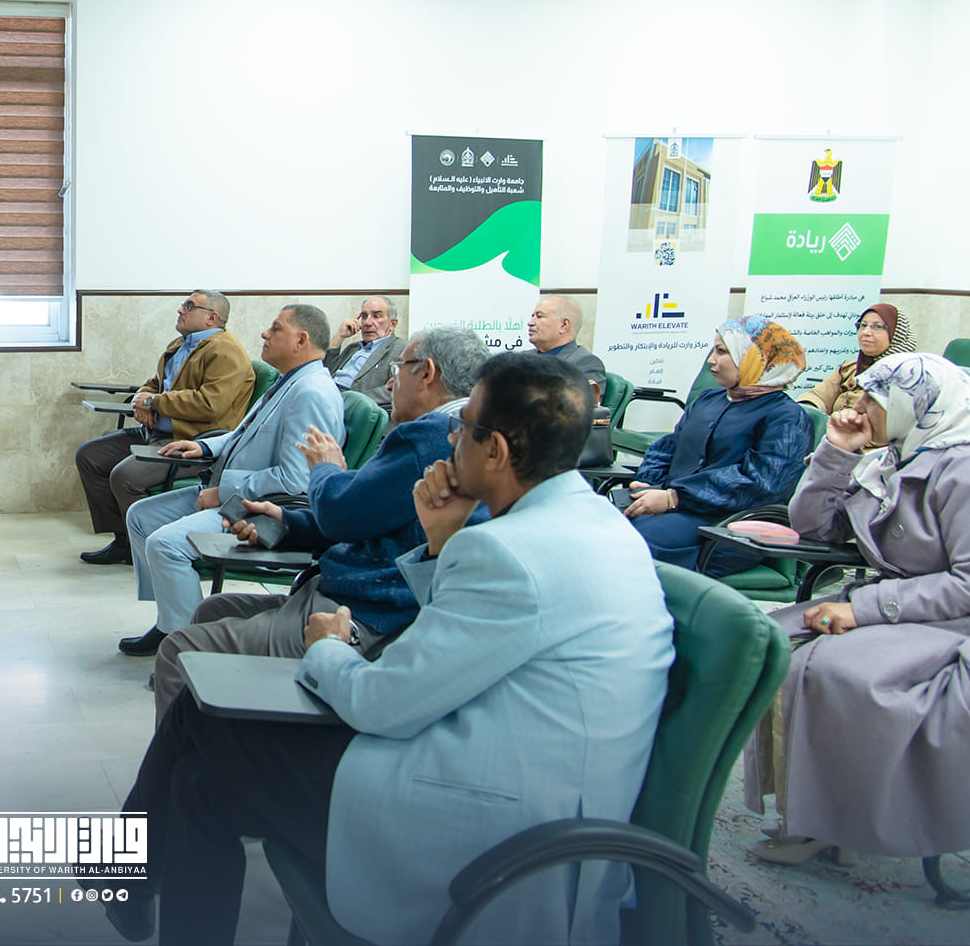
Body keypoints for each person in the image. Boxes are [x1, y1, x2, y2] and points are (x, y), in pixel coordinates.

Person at [102, 351, 672, 946]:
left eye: (463, 427)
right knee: (201, 747)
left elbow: (382, 704)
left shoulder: (508, 552)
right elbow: (469, 636)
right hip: (526, 782)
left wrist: (328, 646)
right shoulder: (592, 522)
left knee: (201, 767)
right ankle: (120, 881)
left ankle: (121, 880)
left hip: (489, 825)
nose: (449, 439)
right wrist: (442, 542)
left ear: (497, 452)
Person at [744, 353, 970, 864]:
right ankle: (815, 813)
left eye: (874, 399)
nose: (858, 407)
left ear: (917, 407)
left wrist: (863, 609)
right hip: (915, 608)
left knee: (833, 670)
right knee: (773, 642)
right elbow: (814, 526)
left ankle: (835, 822)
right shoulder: (889, 460)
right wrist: (835, 452)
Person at [150, 326, 489, 721]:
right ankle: (226, 739)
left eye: (399, 367)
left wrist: (326, 470)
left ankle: (200, 760)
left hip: (364, 609)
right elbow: (373, 515)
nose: (391, 381)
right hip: (349, 587)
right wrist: (288, 522)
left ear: (427, 373)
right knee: (212, 610)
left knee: (177, 651)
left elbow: (341, 512)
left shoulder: (429, 436)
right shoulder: (442, 434)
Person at [117, 305, 342, 657]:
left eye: (275, 328)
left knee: (165, 544)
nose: (265, 333)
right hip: (234, 492)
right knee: (141, 517)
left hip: (263, 509)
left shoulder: (311, 392)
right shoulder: (289, 380)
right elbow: (244, 434)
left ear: (301, 340)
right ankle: (170, 621)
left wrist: (222, 493)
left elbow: (296, 479)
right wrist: (204, 445)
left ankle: (186, 647)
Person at [619, 315, 813, 573]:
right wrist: (648, 484)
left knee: (630, 540)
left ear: (753, 358)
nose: (711, 360)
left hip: (726, 527)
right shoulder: (708, 399)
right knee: (603, 524)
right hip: (673, 508)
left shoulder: (786, 417)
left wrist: (675, 497)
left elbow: (761, 484)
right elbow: (669, 446)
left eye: (722, 352)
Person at [76, 291, 254, 566]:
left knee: (125, 476)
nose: (180, 310)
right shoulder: (180, 344)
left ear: (212, 318)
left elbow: (210, 405)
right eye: (183, 304)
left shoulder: (226, 351)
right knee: (90, 456)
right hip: (156, 432)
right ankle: (124, 541)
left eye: (189, 306)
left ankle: (151, 550)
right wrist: (142, 399)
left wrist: (154, 402)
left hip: (190, 442)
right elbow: (154, 383)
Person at [798, 303, 916, 444]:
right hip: (832, 441)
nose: (866, 332)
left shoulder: (905, 377)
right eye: (863, 325)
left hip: (872, 450)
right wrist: (807, 411)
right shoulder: (849, 369)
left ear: (896, 335)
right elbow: (818, 396)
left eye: (877, 326)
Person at [324, 295, 408, 410]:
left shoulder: (401, 348)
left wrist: (350, 400)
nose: (367, 323)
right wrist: (339, 337)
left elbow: (399, 388)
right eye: (364, 316)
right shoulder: (353, 348)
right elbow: (324, 373)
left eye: (376, 316)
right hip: (326, 397)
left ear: (392, 324)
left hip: (352, 408)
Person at [526, 295, 607, 396]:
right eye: (532, 316)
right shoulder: (523, 358)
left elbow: (585, 404)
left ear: (564, 325)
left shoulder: (585, 363)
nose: (530, 323)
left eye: (539, 316)